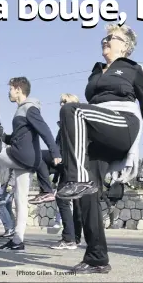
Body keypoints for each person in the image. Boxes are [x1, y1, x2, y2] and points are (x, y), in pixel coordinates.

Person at [56, 23, 143, 274]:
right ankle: (97, 258)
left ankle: (75, 178)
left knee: (71, 110)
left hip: (122, 124)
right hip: (96, 130)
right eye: (104, 38)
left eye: (112, 38)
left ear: (126, 46)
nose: (105, 41)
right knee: (88, 194)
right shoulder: (96, 71)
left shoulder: (134, 69)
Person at [0, 77, 61, 252]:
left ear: (18, 89)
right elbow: (20, 137)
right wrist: (3, 136)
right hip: (26, 159)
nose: (8, 92)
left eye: (10, 89)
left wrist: (55, 152)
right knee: (20, 200)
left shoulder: (29, 108)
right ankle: (18, 241)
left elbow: (44, 129)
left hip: (21, 156)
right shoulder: (22, 110)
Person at [50, 94, 83, 249]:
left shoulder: (71, 125)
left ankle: (69, 238)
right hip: (70, 168)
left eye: (65, 102)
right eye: (61, 101)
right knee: (76, 202)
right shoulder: (70, 124)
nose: (62, 104)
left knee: (63, 199)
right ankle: (75, 237)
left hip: (72, 167)